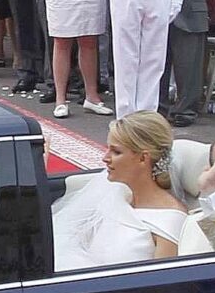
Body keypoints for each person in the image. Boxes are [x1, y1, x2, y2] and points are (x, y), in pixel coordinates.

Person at [50, 110, 186, 269]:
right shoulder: (115, 193)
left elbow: (162, 286)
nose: (105, 158)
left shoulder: (169, 220)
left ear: (143, 158)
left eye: (116, 152)